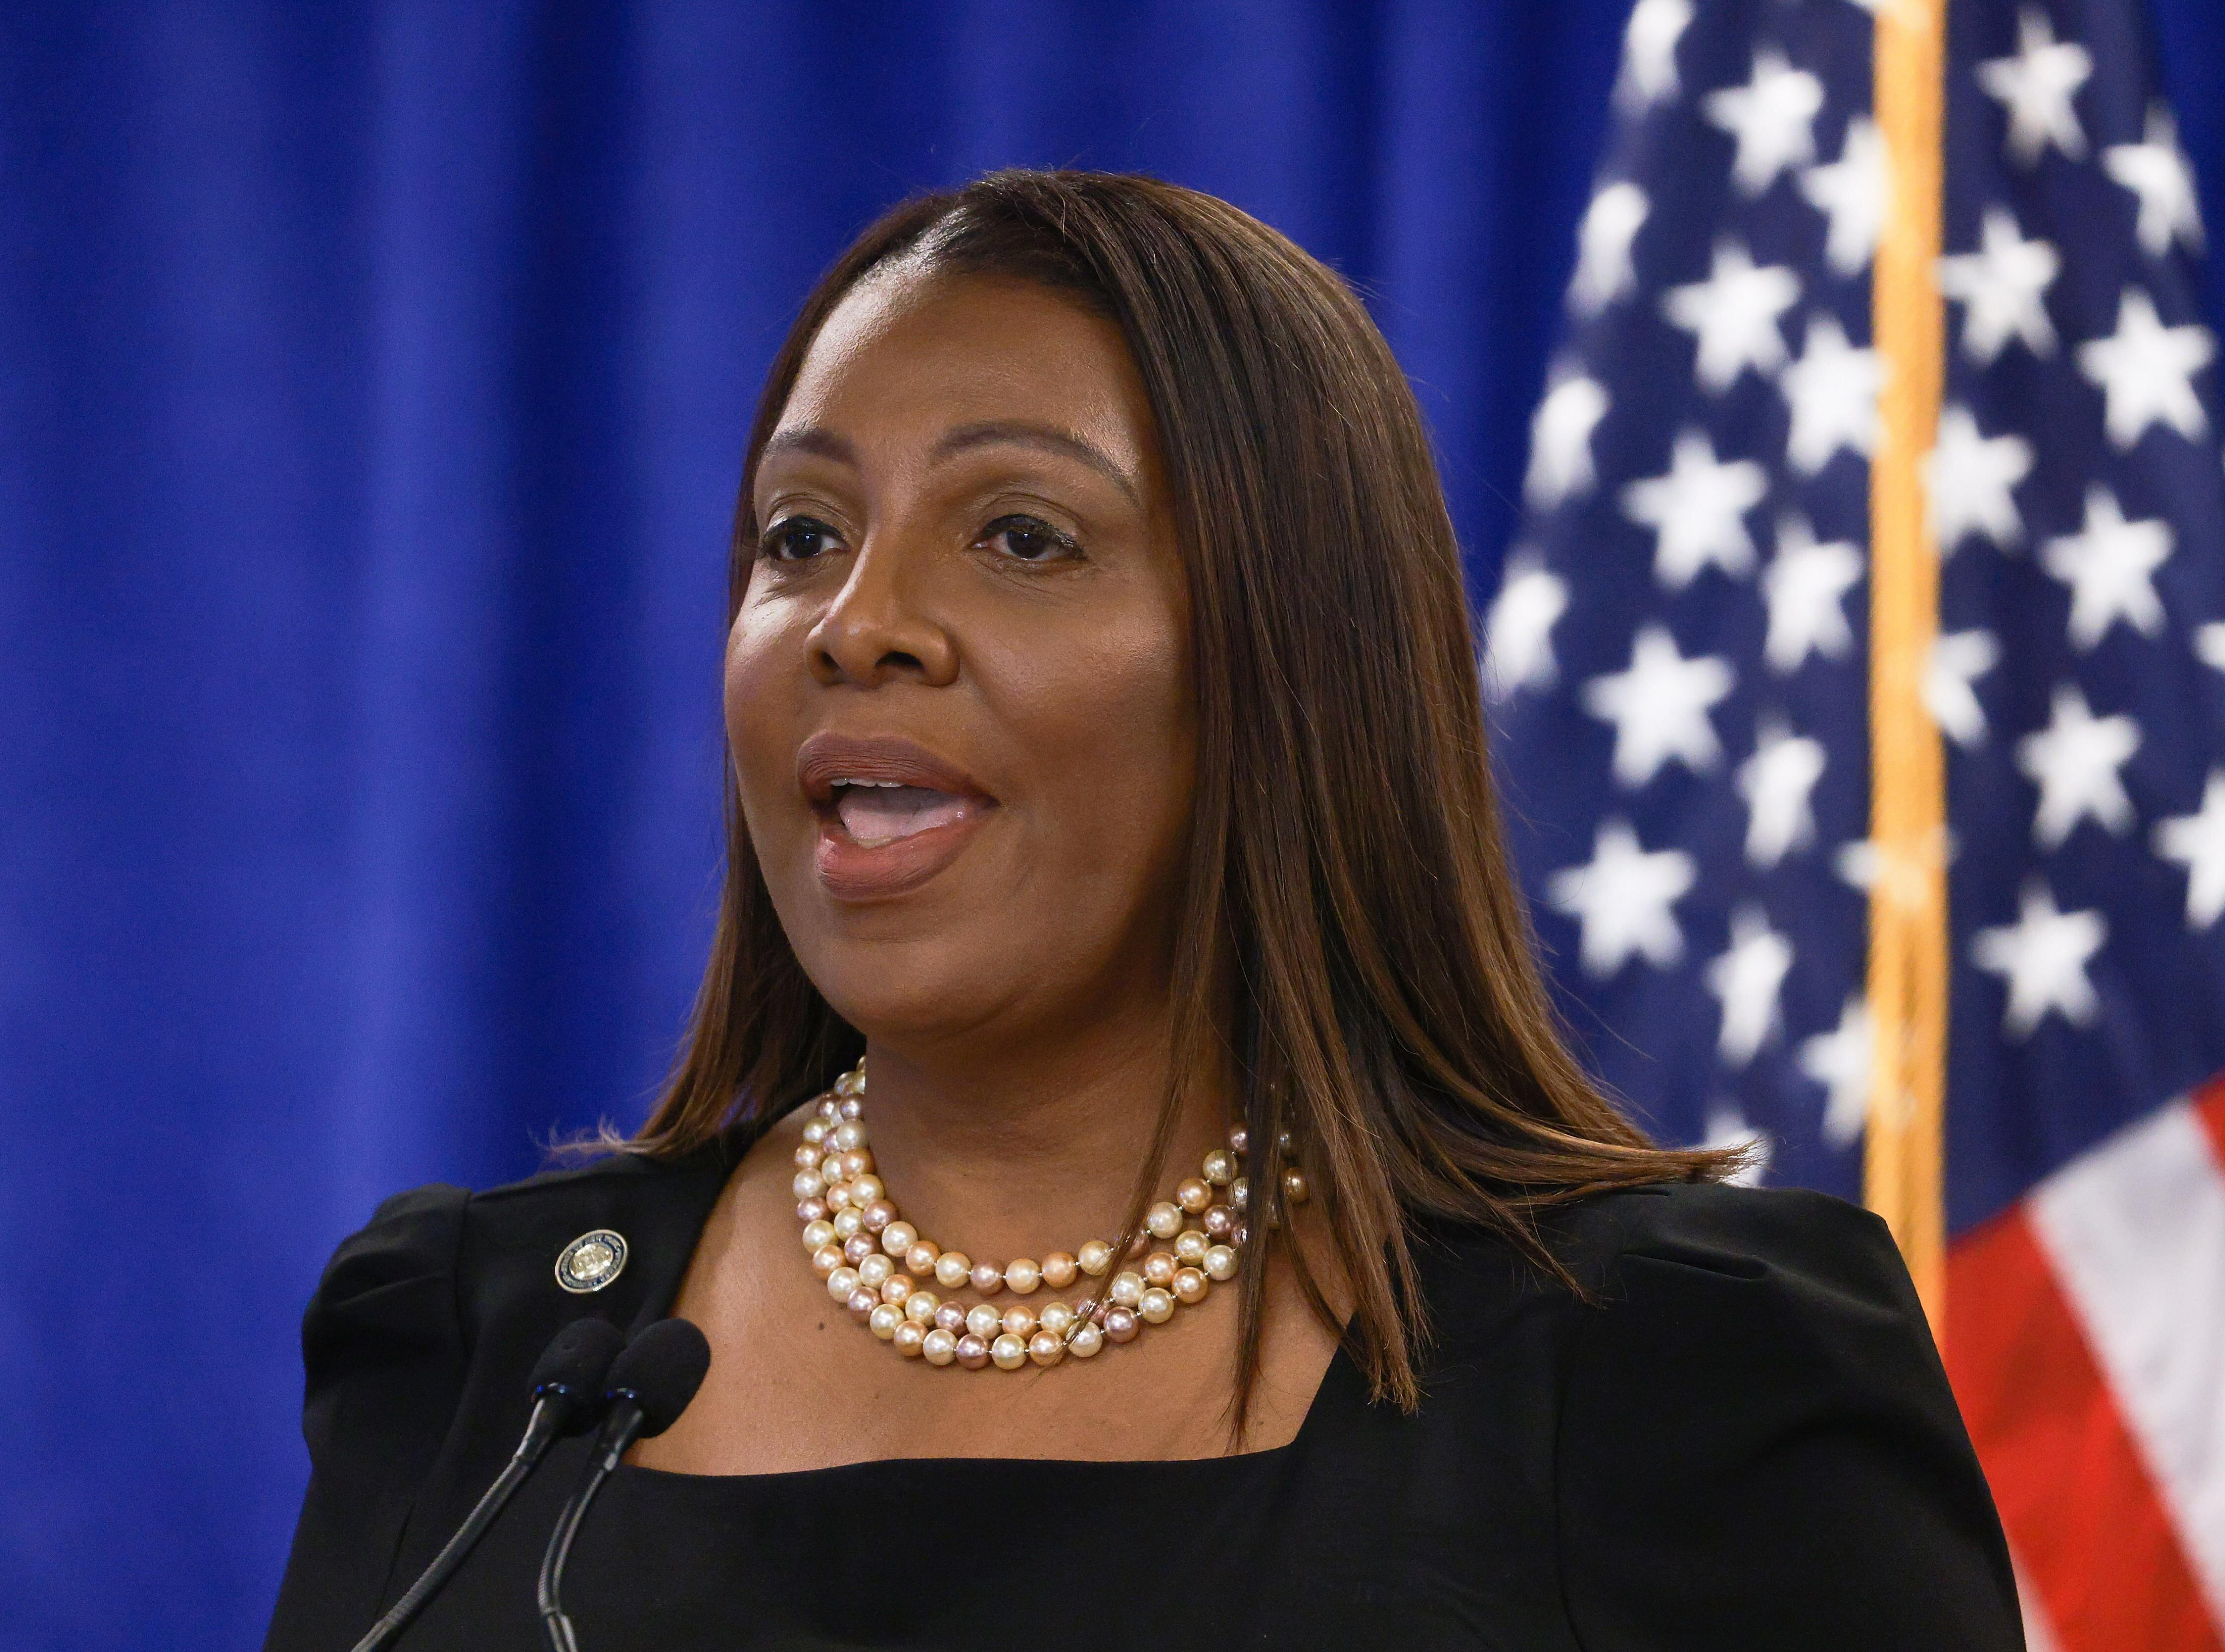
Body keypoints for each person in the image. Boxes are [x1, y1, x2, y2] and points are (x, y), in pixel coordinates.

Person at [265, 169, 2024, 1652]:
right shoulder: (490, 1352)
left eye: (1020, 535)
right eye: (800, 536)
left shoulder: (1672, 1377)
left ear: (1292, 669)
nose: (854, 621)